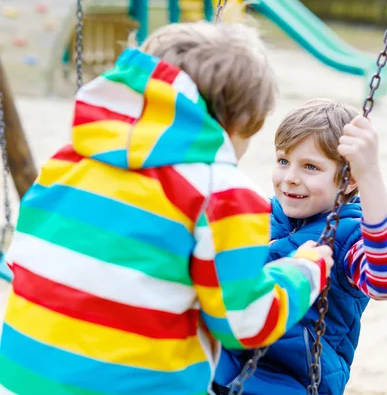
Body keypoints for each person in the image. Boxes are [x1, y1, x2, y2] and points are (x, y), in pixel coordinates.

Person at [0, 22, 334, 395]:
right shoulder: (222, 193)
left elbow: (20, 264)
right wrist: (305, 270)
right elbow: (245, 324)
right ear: (240, 123)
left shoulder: (69, 160)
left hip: (21, 377)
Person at [214, 99, 387, 394]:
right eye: (283, 161)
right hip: (222, 368)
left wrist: (370, 176)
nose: (290, 178)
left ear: (349, 180)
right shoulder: (259, 216)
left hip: (292, 381)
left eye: (310, 166)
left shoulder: (348, 239)